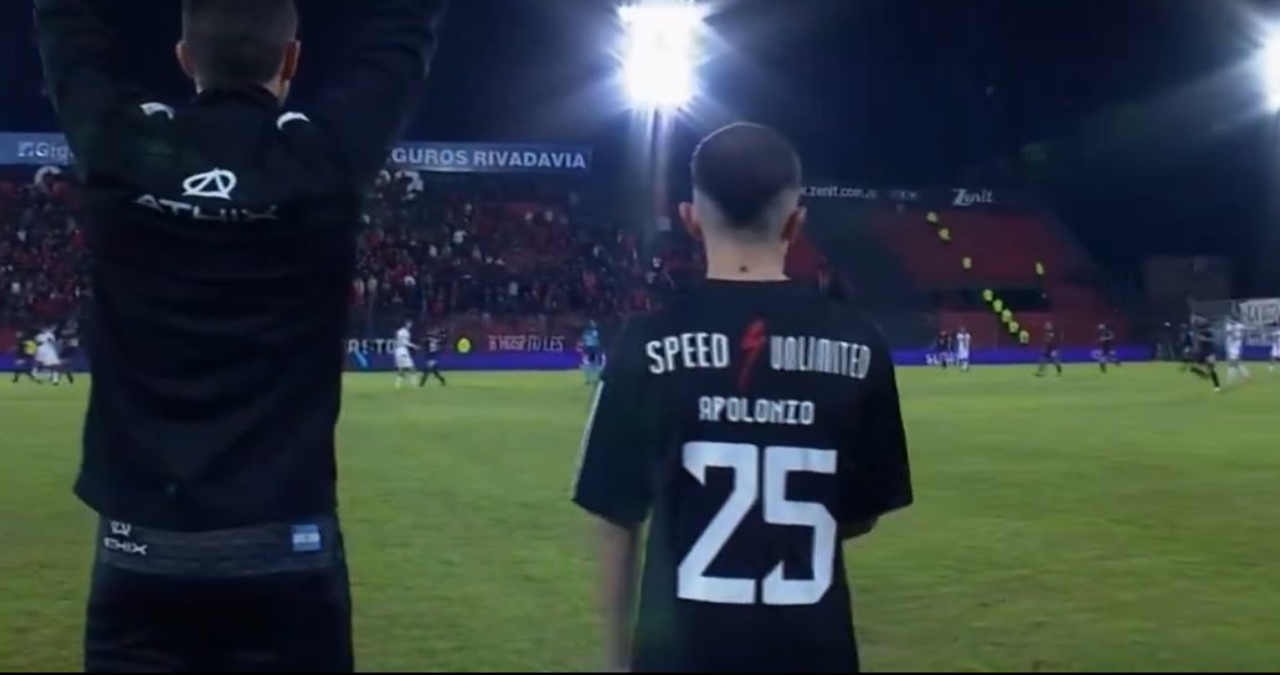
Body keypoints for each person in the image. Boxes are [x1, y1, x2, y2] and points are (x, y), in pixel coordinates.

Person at [35, 0, 449, 671]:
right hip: (288, 556)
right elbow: (402, 37)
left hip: (140, 557)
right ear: (291, 59)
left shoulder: (126, 147)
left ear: (184, 56)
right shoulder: (324, 156)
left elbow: (68, 35)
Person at [572, 123, 913, 673]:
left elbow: (615, 520)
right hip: (812, 653)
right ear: (798, 223)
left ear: (690, 220)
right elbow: (858, 514)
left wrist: (616, 662)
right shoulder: (858, 342)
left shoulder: (646, 343)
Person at [394, 319, 419, 390]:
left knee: (402, 370)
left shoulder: (399, 331)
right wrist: (414, 346)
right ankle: (414, 384)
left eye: (411, 324)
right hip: (402, 351)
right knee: (412, 368)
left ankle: (397, 385)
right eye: (409, 324)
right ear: (406, 324)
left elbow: (397, 341)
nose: (410, 326)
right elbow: (405, 342)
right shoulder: (405, 332)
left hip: (398, 351)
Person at [1223, 317, 1249, 384]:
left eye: (1231, 320)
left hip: (1236, 345)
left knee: (1232, 361)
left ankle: (1230, 378)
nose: (1230, 321)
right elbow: (1228, 333)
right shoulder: (1228, 325)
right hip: (1230, 344)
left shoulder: (1239, 325)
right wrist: (1233, 334)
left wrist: (1239, 337)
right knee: (1234, 361)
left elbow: (1244, 332)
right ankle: (1245, 375)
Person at [581, 319, 604, 385]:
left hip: (592, 348)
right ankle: (591, 380)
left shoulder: (589, 332)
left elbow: (585, 341)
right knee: (593, 365)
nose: (593, 324)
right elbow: (586, 341)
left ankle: (591, 380)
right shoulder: (593, 332)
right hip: (593, 348)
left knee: (594, 365)